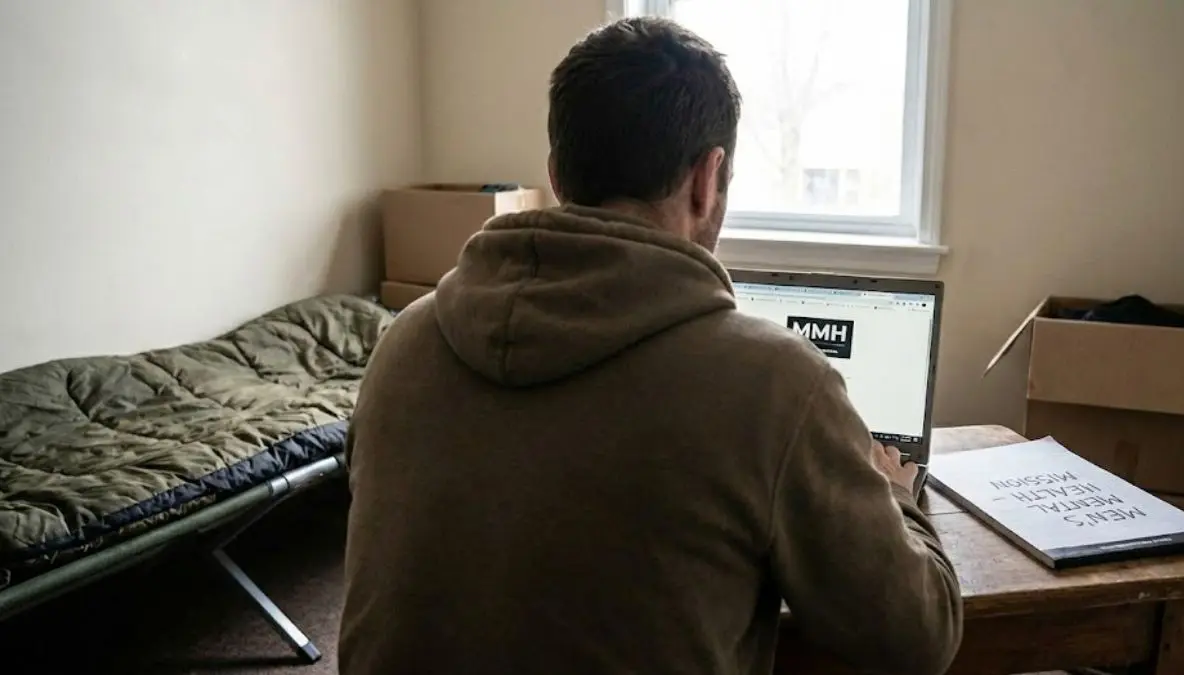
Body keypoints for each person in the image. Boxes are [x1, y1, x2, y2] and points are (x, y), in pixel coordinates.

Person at [338, 15, 962, 675]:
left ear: (557, 172)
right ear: (707, 177)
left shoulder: (400, 346)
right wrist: (894, 491)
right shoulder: (775, 383)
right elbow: (917, 636)